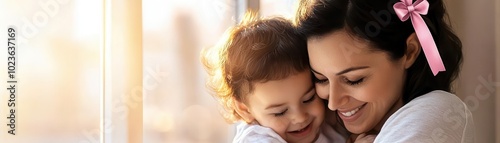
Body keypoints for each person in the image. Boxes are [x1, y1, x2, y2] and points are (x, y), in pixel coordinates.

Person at [294, 0, 474, 142]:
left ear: (409, 51)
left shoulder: (438, 110)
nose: (333, 102)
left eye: (354, 79)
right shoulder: (318, 124)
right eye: (321, 79)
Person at [201, 13, 360, 143]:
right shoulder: (258, 139)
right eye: (280, 112)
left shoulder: (326, 122)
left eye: (309, 99)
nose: (300, 117)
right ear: (244, 110)